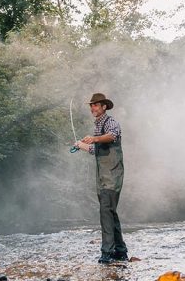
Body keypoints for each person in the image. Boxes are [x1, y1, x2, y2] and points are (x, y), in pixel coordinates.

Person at [76, 92, 128, 264]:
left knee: (105, 211)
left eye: (96, 105)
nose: (93, 108)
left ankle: (107, 252)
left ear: (104, 106)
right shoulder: (98, 125)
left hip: (112, 175)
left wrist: (94, 138)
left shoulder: (110, 122)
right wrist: (81, 145)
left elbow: (111, 136)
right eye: (91, 105)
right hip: (103, 178)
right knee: (110, 212)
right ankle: (120, 251)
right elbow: (96, 150)